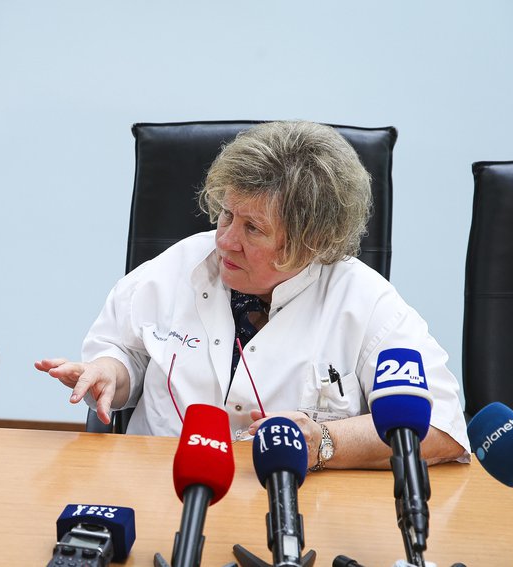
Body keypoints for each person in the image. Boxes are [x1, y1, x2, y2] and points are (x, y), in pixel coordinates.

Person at [37, 120, 468, 469]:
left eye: (252, 229)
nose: (224, 240)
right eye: (226, 214)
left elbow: (441, 429)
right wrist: (111, 372)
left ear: (311, 241)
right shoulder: (178, 266)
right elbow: (125, 348)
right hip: (160, 487)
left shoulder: (364, 301)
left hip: (295, 505)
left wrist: (325, 441)